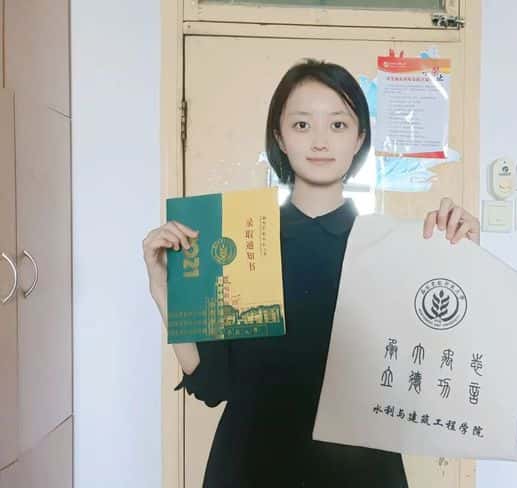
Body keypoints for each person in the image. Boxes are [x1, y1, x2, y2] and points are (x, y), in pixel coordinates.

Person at [142, 58, 480, 487]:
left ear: (360, 138)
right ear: (279, 137)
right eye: (302, 125)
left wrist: (465, 266)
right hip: (252, 467)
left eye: (338, 125)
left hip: (362, 473)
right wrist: (163, 290)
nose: (320, 141)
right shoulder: (238, 240)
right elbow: (213, 384)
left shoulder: (393, 246)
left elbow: (434, 378)